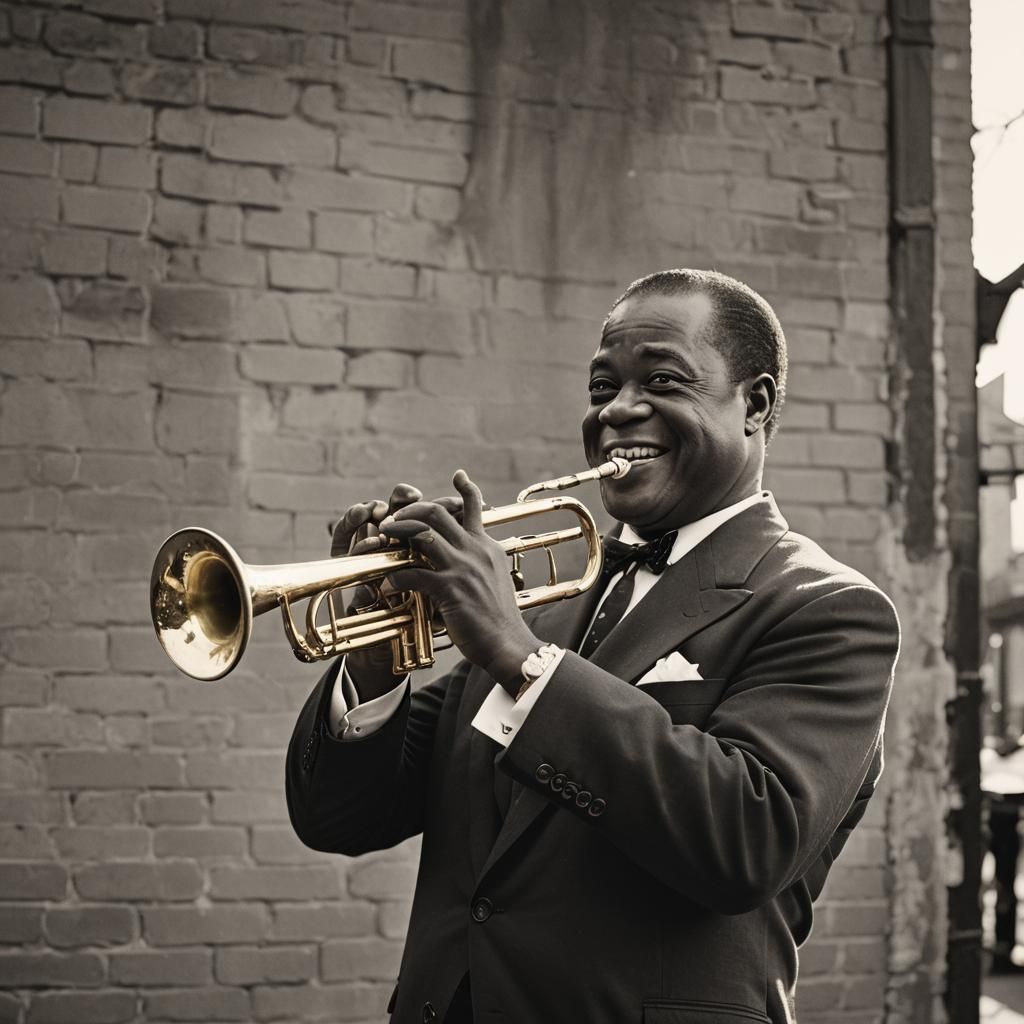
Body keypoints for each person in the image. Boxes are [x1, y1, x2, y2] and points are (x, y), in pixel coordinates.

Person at [286, 269, 901, 1024]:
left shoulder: (828, 610)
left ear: (757, 404)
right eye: (602, 386)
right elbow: (339, 818)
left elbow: (748, 841)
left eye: (664, 380)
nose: (619, 409)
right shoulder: (539, 609)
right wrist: (374, 658)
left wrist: (519, 657)